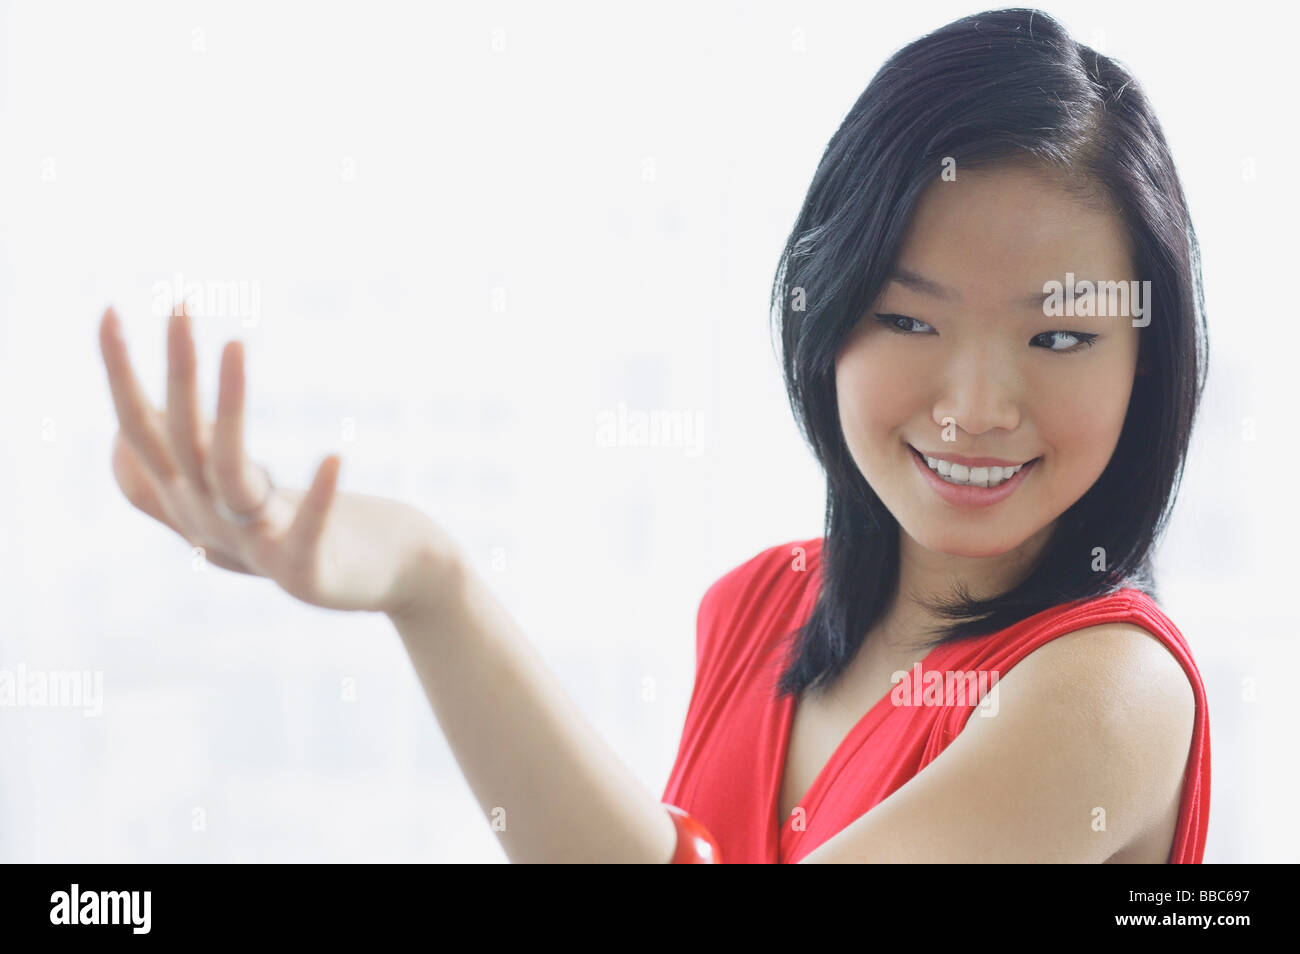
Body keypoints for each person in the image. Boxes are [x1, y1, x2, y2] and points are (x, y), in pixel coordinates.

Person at [97, 7, 1211, 863]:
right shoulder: (759, 611)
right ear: (823, 323)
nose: (976, 406)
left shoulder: (1109, 690)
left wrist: (435, 586)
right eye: (908, 318)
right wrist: (418, 581)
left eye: (1058, 338)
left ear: (1144, 362)